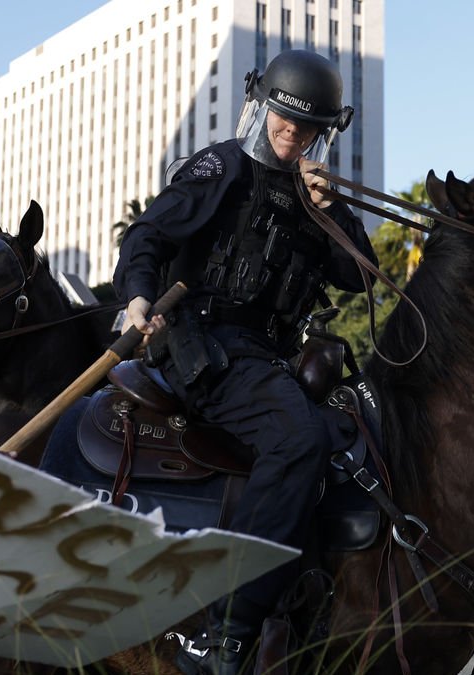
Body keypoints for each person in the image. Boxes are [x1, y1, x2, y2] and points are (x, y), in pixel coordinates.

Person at [114, 49, 373, 675]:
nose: (292, 136)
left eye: (306, 128)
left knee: (357, 431)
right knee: (295, 437)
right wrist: (137, 299)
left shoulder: (315, 195)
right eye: (284, 121)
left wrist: (333, 208)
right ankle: (225, 626)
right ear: (261, 109)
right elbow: (146, 236)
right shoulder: (221, 166)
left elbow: (356, 273)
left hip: (270, 358)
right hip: (206, 347)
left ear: (324, 131)